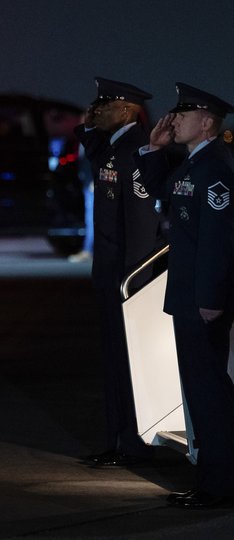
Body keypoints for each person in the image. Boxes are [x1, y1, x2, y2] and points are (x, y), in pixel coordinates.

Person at [136, 82, 234, 508]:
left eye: (184, 114)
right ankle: (213, 479)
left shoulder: (215, 168)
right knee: (201, 392)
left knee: (209, 394)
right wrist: (153, 151)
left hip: (202, 301)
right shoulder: (195, 163)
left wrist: (211, 298)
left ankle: (219, 484)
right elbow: (161, 195)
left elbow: (219, 241)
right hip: (189, 297)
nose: (173, 120)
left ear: (208, 123)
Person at [75, 77, 164, 468]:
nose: (96, 110)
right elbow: (93, 149)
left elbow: (141, 225)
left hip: (125, 279)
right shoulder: (113, 147)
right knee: (113, 363)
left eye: (105, 105)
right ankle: (118, 440)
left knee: (128, 366)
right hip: (109, 275)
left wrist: (132, 282)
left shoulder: (135, 151)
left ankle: (133, 444)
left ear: (127, 110)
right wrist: (87, 122)